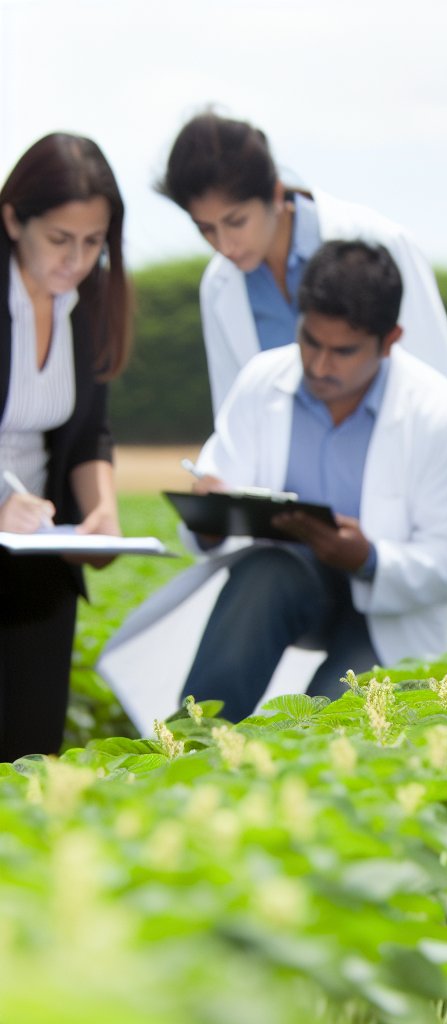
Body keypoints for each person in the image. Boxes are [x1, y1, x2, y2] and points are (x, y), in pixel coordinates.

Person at [100, 239, 447, 726]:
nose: (319, 365)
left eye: (343, 351)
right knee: (265, 573)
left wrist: (368, 557)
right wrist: (211, 518)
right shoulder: (262, 381)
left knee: (323, 731)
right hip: (284, 585)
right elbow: (220, 478)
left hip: (389, 614)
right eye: (310, 341)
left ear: (390, 339)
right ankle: (190, 746)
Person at [156, 110, 447, 414]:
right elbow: (233, 415)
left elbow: (446, 391)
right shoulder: (218, 285)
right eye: (206, 229)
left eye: (237, 221)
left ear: (276, 195)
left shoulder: (380, 243)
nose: (224, 245)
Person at [0, 133, 131, 761]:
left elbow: (89, 435)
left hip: (33, 556)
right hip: (9, 521)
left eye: (94, 242)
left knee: (29, 754)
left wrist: (101, 512)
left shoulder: (92, 300)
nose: (77, 260)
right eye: (60, 240)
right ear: (12, 219)